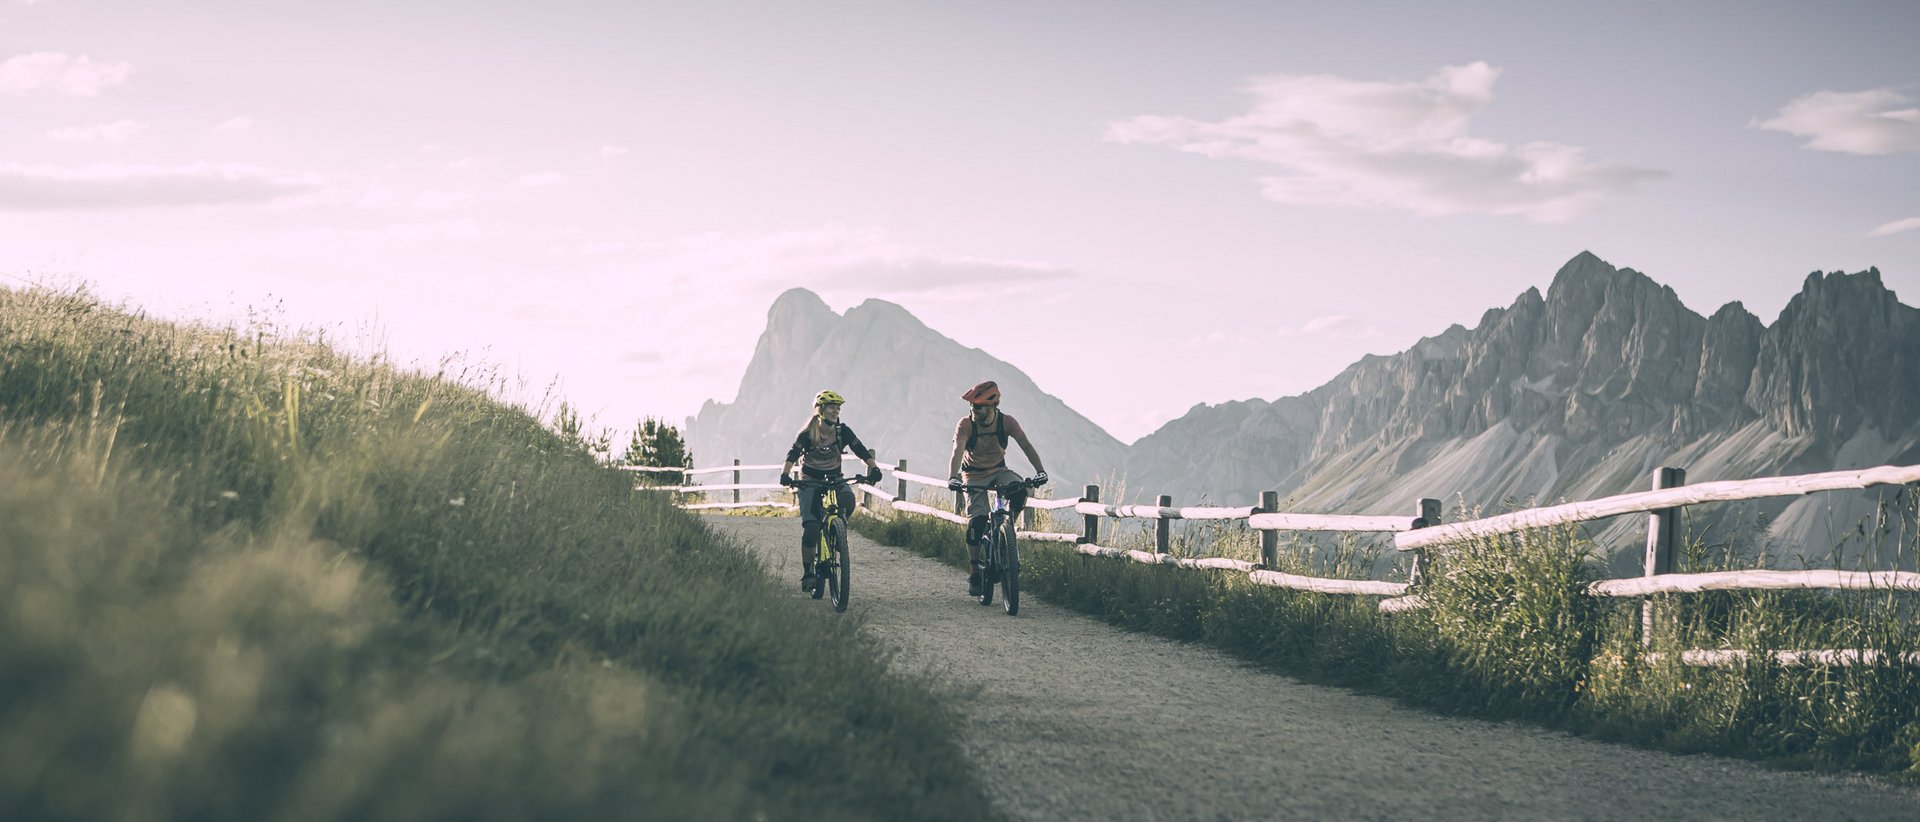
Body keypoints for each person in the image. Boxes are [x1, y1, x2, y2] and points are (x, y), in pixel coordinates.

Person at [946, 380, 1048, 596]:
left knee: (1020, 489)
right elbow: (957, 451)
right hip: (972, 474)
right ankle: (974, 571)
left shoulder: (1006, 423)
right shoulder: (966, 425)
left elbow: (1026, 445)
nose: (974, 410)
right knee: (977, 522)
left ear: (992, 406)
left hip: (998, 470)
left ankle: (1006, 529)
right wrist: (953, 477)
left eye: (978, 406)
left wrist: (1040, 471)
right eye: (972, 406)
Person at [779, 389, 883, 591]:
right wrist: (785, 474)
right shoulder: (808, 433)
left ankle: (837, 533)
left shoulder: (843, 431)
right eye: (832, 408)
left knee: (847, 500)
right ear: (820, 410)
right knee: (811, 527)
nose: (836, 411)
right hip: (810, 480)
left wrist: (874, 468)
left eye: (838, 408)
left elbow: (860, 449)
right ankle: (808, 572)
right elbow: (793, 454)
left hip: (834, 478)